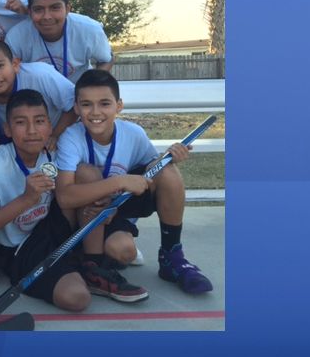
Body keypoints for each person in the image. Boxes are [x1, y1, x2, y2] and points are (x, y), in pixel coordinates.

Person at [55, 69, 213, 299]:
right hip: (87, 210)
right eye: (87, 104)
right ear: (76, 108)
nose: (95, 112)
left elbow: (152, 173)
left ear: (119, 106)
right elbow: (65, 197)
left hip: (116, 206)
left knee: (166, 171)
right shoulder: (71, 137)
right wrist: (117, 182)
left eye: (105, 103)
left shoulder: (133, 133)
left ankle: (172, 256)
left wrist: (169, 157)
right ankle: (92, 261)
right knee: (87, 173)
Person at [0, 89, 89, 311]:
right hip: (17, 249)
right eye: (21, 123)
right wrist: (26, 199)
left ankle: (90, 258)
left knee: (86, 173)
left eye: (39, 121)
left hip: (48, 236)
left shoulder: (55, 153)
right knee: (75, 297)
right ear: (8, 129)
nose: (32, 131)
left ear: (50, 126)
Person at [5, 0, 113, 84]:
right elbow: (9, 73)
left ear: (67, 9)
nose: (47, 16)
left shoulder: (89, 29)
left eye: (55, 8)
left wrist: (92, 86)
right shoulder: (16, 36)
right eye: (38, 9)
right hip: (38, 96)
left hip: (78, 95)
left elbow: (106, 59)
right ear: (29, 11)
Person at [0, 39, 78, 147]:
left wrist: (55, 136)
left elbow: (74, 104)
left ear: (15, 65)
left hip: (62, 139)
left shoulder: (41, 75)